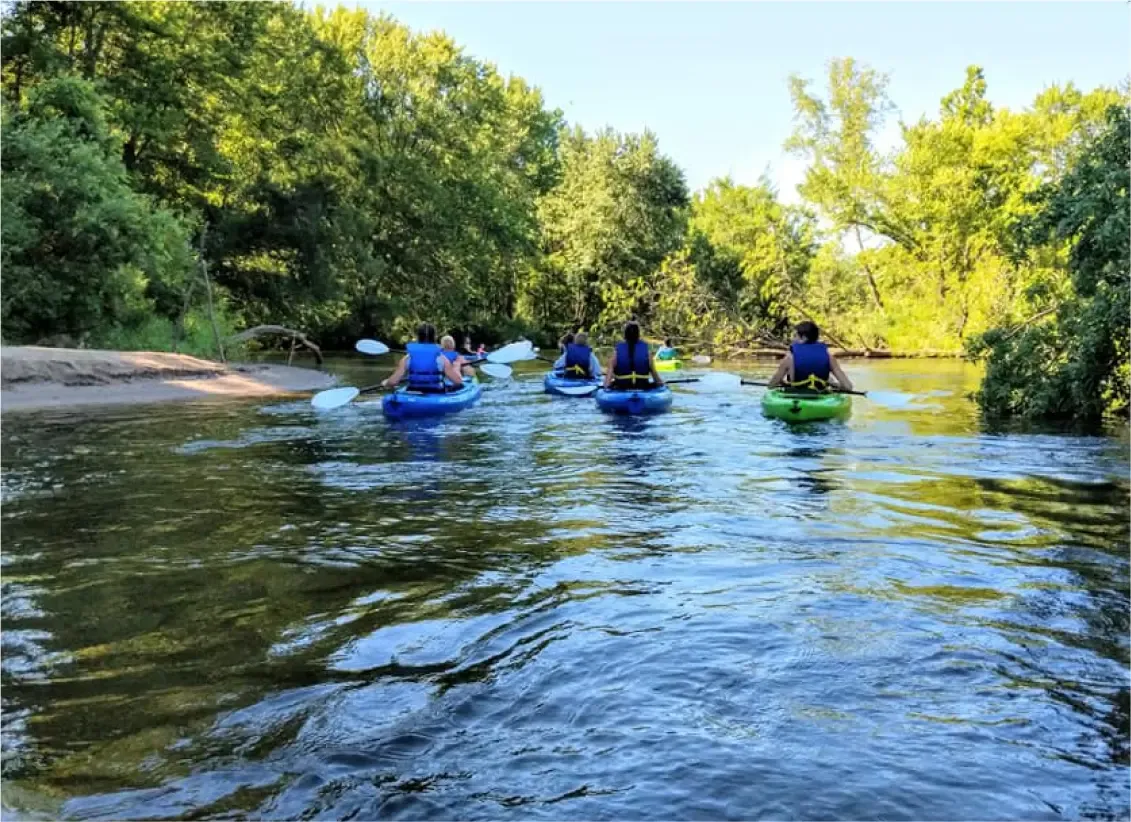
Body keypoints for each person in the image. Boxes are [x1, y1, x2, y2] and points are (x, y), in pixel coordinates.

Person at [767, 320, 853, 392]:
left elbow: (771, 385)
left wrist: (782, 383)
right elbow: (848, 387)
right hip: (820, 396)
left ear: (804, 338)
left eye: (795, 336)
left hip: (796, 394)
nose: (793, 339)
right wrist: (834, 385)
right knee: (830, 379)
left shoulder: (789, 358)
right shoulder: (829, 358)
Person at [382, 323, 464, 391]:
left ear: (418, 337)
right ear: (434, 337)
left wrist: (386, 382)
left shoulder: (408, 358)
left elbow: (393, 382)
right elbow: (458, 381)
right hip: (436, 393)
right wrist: (456, 367)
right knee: (460, 386)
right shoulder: (441, 358)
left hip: (413, 392)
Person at [603, 321, 663, 390]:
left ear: (625, 334)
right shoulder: (647, 353)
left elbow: (607, 383)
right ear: (638, 334)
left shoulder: (616, 354)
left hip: (621, 388)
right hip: (642, 387)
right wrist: (661, 384)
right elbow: (657, 379)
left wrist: (606, 387)